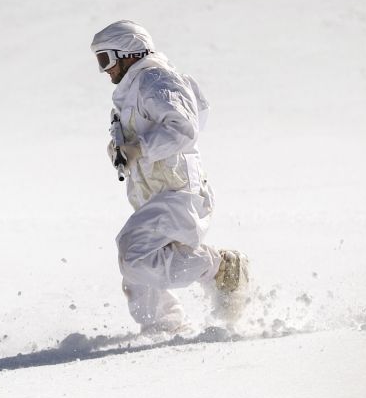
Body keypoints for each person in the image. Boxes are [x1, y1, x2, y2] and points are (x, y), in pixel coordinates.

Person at [91, 20, 250, 333]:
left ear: (128, 53)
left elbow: (184, 129)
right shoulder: (131, 93)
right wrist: (120, 149)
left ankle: (218, 267)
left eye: (106, 60)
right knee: (140, 263)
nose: (104, 71)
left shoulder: (155, 80)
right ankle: (163, 325)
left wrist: (140, 148)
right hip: (154, 192)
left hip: (178, 191)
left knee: (135, 254)